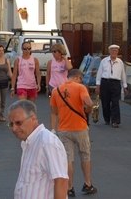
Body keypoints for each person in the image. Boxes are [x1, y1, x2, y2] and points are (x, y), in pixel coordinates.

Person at [8, 100, 68, 199]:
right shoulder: (29, 142)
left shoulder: (46, 143)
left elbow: (61, 181)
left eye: (18, 123)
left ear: (33, 119)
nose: (14, 128)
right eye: (11, 124)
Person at [50, 69, 97, 197]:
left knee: (68, 159)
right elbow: (89, 103)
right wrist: (88, 110)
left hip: (64, 129)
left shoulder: (56, 90)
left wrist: (53, 129)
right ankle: (87, 184)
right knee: (85, 155)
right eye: (80, 79)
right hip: (80, 127)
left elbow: (54, 112)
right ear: (77, 77)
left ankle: (69, 187)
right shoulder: (80, 88)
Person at [95, 44, 128, 128]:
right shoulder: (104, 61)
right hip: (105, 82)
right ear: (109, 51)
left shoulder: (120, 62)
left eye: (116, 50)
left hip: (116, 83)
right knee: (105, 102)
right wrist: (98, 85)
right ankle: (107, 119)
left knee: (115, 102)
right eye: (112, 50)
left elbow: (123, 74)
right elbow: (99, 73)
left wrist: (125, 86)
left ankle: (115, 121)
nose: (114, 52)